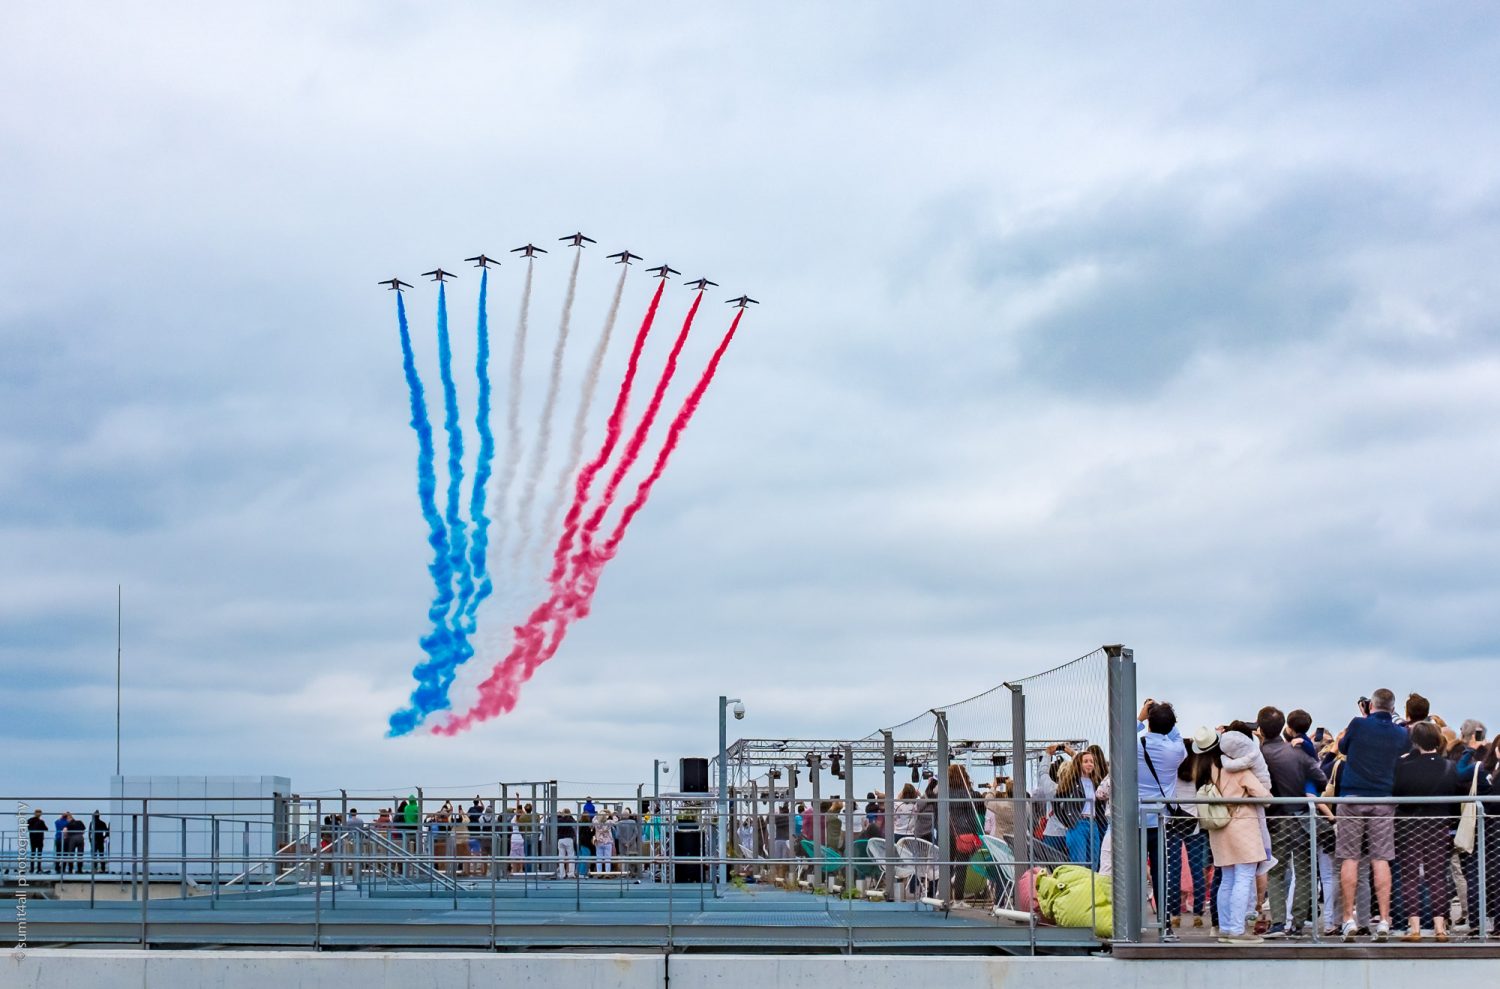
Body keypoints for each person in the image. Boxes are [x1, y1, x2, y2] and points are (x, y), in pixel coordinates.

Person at [1336, 688, 1410, 942]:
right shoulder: (1400, 733)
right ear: (1392, 706)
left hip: (1352, 797)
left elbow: (1342, 747)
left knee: (1350, 858)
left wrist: (1364, 717)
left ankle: (1348, 919)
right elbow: (1404, 747)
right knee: (1381, 859)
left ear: (1371, 705)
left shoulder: (1358, 724)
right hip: (1383, 798)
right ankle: (1385, 921)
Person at [1197, 728, 1272, 944]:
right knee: (1244, 877)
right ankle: (1238, 930)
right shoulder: (1239, 771)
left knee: (1227, 880)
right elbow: (1264, 797)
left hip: (1219, 831)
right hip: (1243, 828)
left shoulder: (1206, 770)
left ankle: (1226, 927)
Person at [1260, 705, 1326, 937]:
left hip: (1276, 819)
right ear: (1283, 728)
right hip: (1302, 818)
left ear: (1261, 729)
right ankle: (1298, 923)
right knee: (1305, 871)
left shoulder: (1262, 755)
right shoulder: (1298, 754)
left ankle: (1278, 922)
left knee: (1276, 872)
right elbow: (1321, 778)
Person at [1393, 720, 1462, 941]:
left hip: (1408, 825)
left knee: (1410, 875)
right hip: (1438, 824)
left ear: (1414, 741)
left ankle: (1414, 928)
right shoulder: (1449, 767)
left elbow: (1396, 793)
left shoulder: (1402, 766)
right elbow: (1455, 799)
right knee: (1437, 876)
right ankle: (1440, 927)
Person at [1137, 699, 1186, 915]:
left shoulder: (1135, 745)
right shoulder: (1175, 750)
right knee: (1162, 873)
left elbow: (1120, 737)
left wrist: (1141, 717)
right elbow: (1176, 737)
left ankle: (1132, 921)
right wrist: (1165, 718)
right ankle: (1164, 921)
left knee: (1133, 872)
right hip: (1161, 819)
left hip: (1135, 818)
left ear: (1149, 722)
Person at [1167, 737, 1212, 929]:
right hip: (1195, 823)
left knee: (1174, 870)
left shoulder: (1171, 773)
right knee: (1197, 870)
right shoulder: (1199, 773)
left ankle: (1175, 914)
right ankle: (1198, 913)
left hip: (1174, 822)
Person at [1053, 749, 1107, 869]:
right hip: (1078, 823)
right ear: (1079, 764)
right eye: (1086, 761)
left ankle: (1090, 887)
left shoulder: (1096, 782)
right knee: (1079, 862)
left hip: (1093, 824)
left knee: (1094, 860)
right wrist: (1067, 821)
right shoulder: (1071, 782)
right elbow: (1056, 803)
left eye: (1092, 761)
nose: (1089, 764)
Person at [947, 764, 985, 901]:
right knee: (961, 869)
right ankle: (958, 899)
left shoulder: (946, 794)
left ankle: (945, 897)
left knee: (947, 866)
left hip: (949, 832)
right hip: (965, 833)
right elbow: (972, 816)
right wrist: (975, 833)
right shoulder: (968, 794)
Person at [556, 808, 578, 878]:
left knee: (561, 857)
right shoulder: (571, 820)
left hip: (560, 839)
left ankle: (562, 874)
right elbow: (575, 824)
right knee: (571, 856)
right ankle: (571, 873)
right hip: (569, 838)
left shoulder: (559, 820)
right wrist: (570, 816)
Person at [26, 810, 47, 874]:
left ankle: (32, 869)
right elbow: (46, 829)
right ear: (40, 814)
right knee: (39, 855)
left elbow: (28, 828)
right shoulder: (41, 822)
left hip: (32, 838)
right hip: (39, 839)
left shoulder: (29, 820)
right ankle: (39, 868)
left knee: (32, 854)